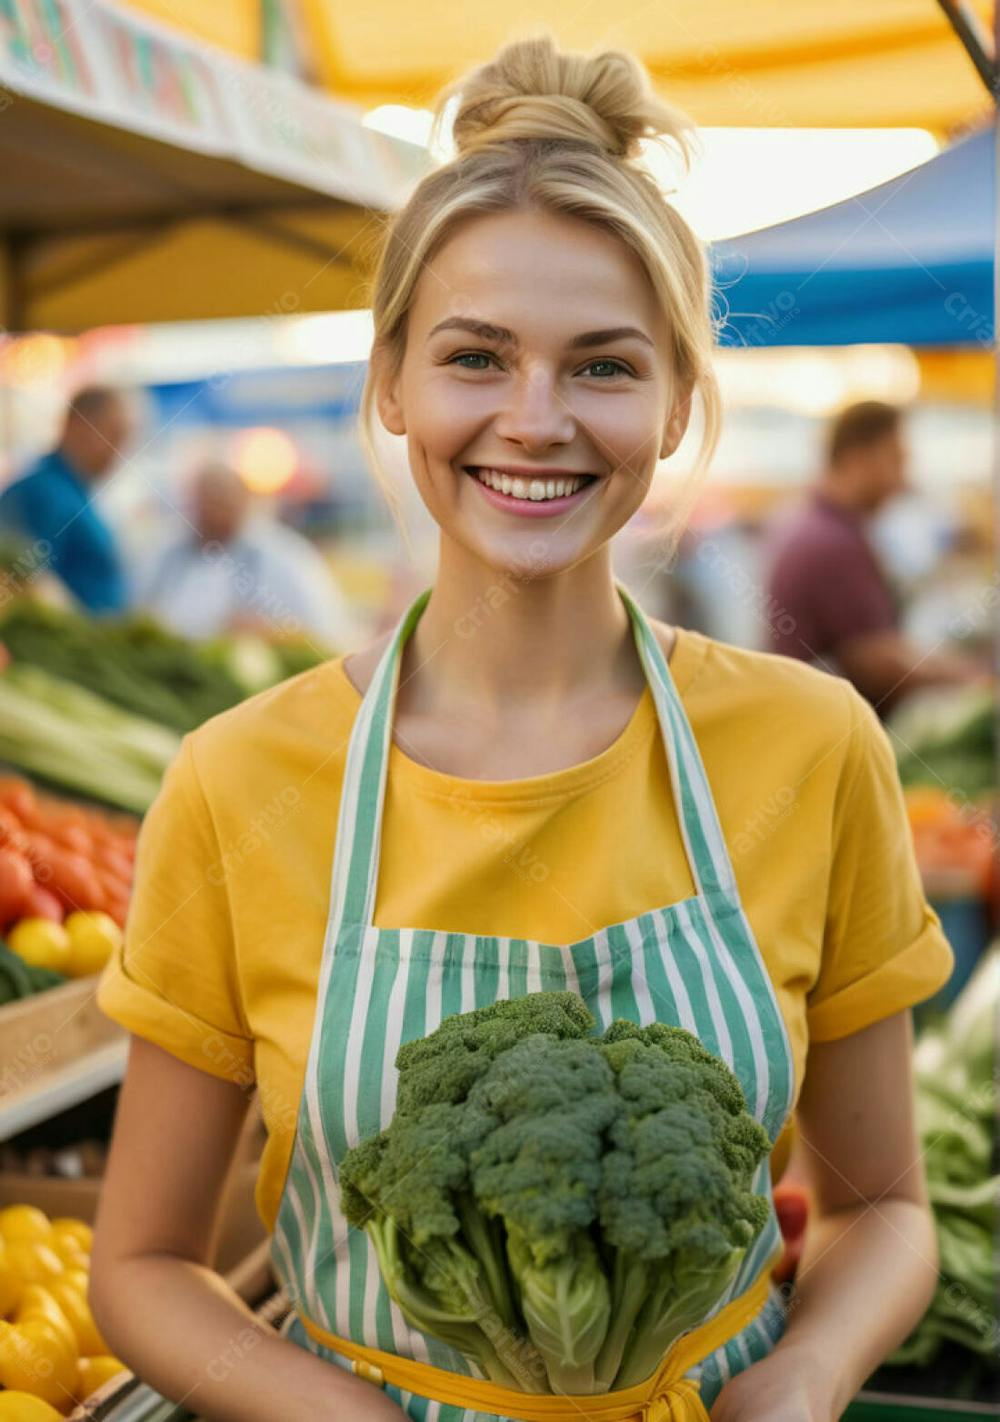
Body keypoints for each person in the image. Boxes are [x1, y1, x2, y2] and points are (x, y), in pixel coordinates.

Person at [91, 35, 953, 1422]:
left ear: (676, 400)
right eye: (476, 357)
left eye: (603, 367)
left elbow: (887, 1207)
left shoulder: (814, 745)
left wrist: (801, 1373)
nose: (534, 421)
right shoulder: (240, 778)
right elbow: (140, 1263)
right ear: (391, 384)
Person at [764, 400, 983, 712]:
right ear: (857, 458)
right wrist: (973, 678)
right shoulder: (829, 542)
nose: (902, 480)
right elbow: (875, 663)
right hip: (829, 729)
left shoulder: (814, 524)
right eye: (896, 460)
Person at [134, 461, 363, 651]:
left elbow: (323, 633)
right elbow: (137, 613)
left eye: (221, 501)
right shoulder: (166, 553)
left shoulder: (284, 555)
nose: (212, 512)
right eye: (204, 502)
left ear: (243, 502)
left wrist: (264, 632)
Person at [0, 385, 133, 614]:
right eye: (113, 435)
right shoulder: (43, 493)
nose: (117, 451)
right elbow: (28, 584)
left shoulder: (75, 492)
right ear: (77, 425)